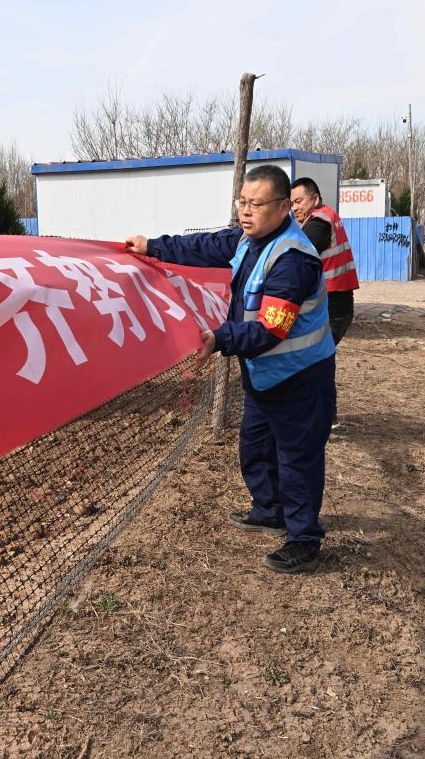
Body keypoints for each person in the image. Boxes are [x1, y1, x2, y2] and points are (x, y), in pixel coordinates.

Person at [125, 165, 335, 574]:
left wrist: (219, 338)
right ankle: (269, 510)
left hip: (300, 377)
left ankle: (303, 539)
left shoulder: (292, 259)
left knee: (297, 458)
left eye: (256, 204)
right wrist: (151, 246)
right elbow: (203, 245)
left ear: (283, 207)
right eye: (242, 202)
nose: (246, 211)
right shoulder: (247, 239)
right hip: (264, 374)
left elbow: (270, 329)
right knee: (255, 447)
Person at [289, 178, 359, 344]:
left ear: (315, 199)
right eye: (291, 204)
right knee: (319, 351)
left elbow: (294, 258)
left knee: (315, 352)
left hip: (331, 302)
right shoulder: (327, 215)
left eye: (298, 201)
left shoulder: (319, 223)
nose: (294, 208)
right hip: (337, 299)